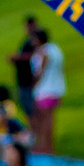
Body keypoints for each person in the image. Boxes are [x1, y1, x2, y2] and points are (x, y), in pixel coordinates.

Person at [31, 23, 65, 154]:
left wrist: (34, 82)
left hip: (44, 89)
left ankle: (45, 146)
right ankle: (49, 146)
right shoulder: (55, 49)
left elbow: (40, 70)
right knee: (50, 119)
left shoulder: (43, 52)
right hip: (56, 88)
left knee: (44, 120)